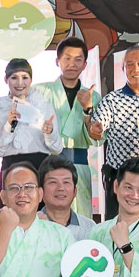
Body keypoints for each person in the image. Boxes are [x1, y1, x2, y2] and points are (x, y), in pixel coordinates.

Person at [32, 37, 102, 222]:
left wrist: (88, 108)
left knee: (81, 219)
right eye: (67, 58)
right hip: (48, 164)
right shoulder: (39, 91)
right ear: (57, 61)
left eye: (78, 59)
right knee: (48, 218)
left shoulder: (93, 96)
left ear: (85, 64)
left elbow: (97, 138)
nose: (72, 64)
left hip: (79, 164)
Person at [94, 45, 139, 192]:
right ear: (123, 69)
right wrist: (95, 128)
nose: (135, 69)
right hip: (120, 179)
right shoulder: (111, 100)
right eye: (129, 65)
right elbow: (97, 127)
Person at [0, 57, 58, 157]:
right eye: (14, 78)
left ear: (31, 80)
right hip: (11, 167)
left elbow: (57, 149)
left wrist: (49, 133)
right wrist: (8, 126)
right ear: (5, 79)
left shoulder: (44, 106)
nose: (20, 83)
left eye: (25, 77)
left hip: (40, 166)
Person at [37, 153, 87, 231]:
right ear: (40, 192)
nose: (60, 188)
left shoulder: (89, 228)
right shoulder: (31, 226)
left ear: (75, 191)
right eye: (53, 182)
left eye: (66, 182)